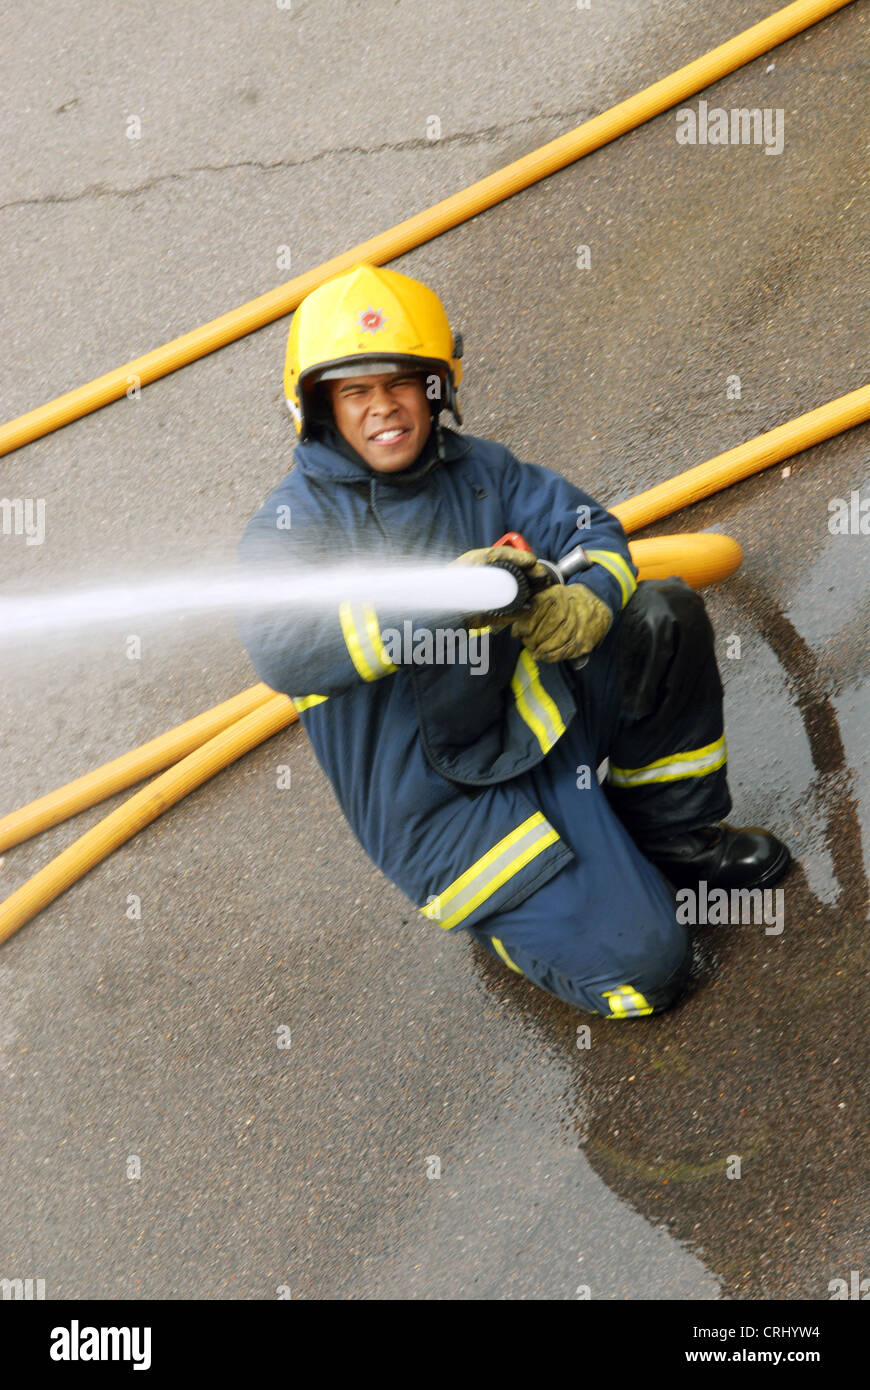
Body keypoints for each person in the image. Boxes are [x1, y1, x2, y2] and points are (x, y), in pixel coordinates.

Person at [236, 262, 790, 1019]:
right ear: (321, 408)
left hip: (541, 732)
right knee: (652, 974)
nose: (384, 409)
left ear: (439, 388)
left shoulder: (477, 469)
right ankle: (508, 926)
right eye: (355, 391)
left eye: (402, 383)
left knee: (659, 611)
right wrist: (440, 599)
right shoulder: (294, 528)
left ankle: (671, 842)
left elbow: (593, 530)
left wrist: (589, 599)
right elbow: (280, 647)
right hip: (448, 810)